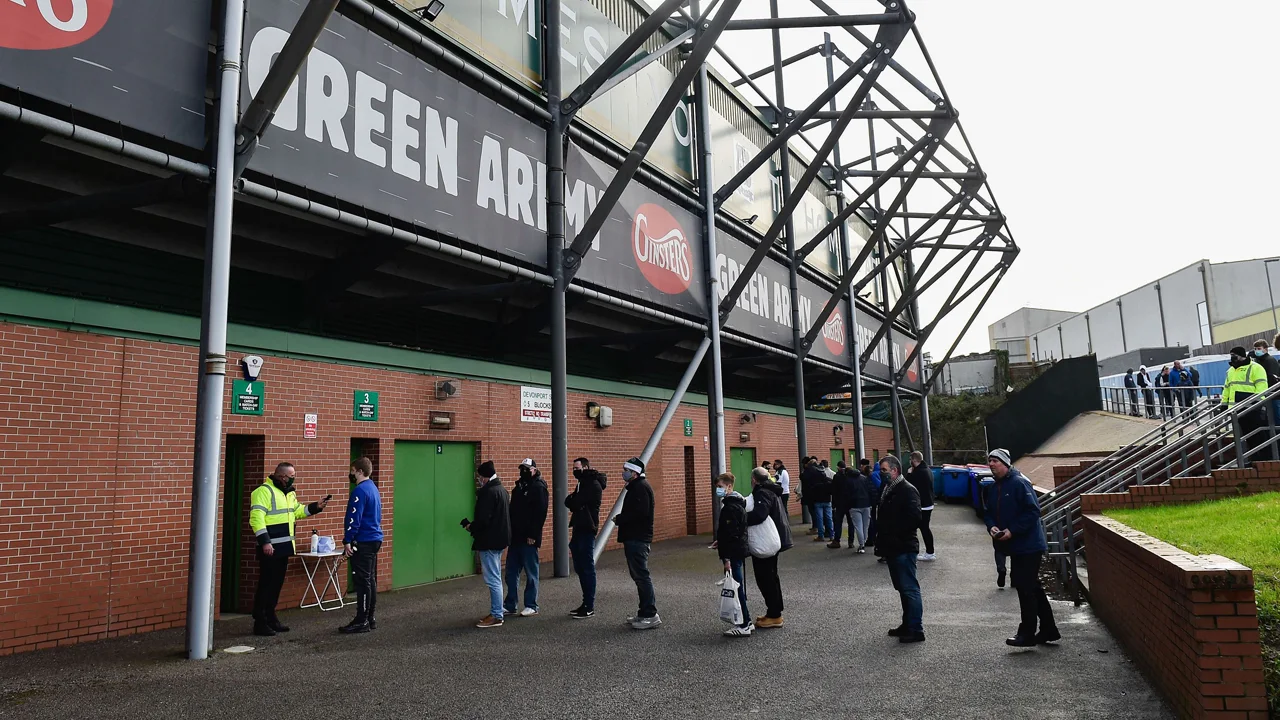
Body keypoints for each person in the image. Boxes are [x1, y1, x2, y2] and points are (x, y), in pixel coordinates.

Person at [985, 448, 1059, 647]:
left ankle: (1026, 633)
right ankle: (1049, 630)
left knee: (1026, 589)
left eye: (995, 461)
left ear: (1006, 463)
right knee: (1032, 587)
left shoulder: (1019, 483)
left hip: (1029, 546)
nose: (991, 464)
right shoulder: (994, 487)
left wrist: (1012, 531)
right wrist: (991, 526)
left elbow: (1033, 511)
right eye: (990, 461)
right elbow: (989, 512)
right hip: (1015, 546)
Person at [249, 462, 329, 637]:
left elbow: (297, 511)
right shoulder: (263, 492)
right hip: (270, 548)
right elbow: (256, 519)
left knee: (276, 585)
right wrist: (265, 542)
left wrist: (316, 506)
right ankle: (260, 622)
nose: (294, 477)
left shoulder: (289, 492)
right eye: (292, 475)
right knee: (266, 585)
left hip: (284, 547)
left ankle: (271, 617)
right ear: (283, 476)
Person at [876, 456, 924, 644]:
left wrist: (894, 534)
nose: (881, 473)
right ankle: (907, 624)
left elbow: (914, 518)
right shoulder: (890, 488)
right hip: (893, 547)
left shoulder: (907, 490)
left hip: (903, 547)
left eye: (884, 470)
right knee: (902, 588)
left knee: (909, 588)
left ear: (895, 470)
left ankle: (916, 628)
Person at [614, 457, 659, 629]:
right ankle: (644, 612)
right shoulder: (636, 487)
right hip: (635, 537)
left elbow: (640, 513)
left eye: (626, 469)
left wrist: (621, 519)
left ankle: (650, 614)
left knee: (641, 576)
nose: (623, 472)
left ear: (634, 472)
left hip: (638, 538)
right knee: (639, 576)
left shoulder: (640, 488)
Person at [464, 461, 510, 629]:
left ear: (484, 477)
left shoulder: (488, 493)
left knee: (492, 579)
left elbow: (483, 520)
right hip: (499, 539)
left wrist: (471, 527)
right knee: (496, 577)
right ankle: (496, 611)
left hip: (489, 540)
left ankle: (497, 615)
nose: (478, 480)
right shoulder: (502, 490)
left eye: (479, 477)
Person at [339, 456, 382, 634]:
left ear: (359, 471)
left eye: (352, 471)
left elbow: (353, 518)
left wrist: (348, 539)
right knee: (370, 580)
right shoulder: (373, 488)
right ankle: (369, 617)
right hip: (374, 539)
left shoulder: (360, 491)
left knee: (362, 582)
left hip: (363, 540)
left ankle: (361, 619)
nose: (351, 474)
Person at [747, 467, 791, 628]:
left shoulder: (762, 493)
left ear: (754, 480)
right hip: (774, 539)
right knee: (772, 577)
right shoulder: (771, 490)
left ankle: (774, 614)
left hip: (766, 541)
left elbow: (760, 514)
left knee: (766, 579)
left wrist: (740, 518)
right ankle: (774, 611)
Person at [505, 458, 548, 618]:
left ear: (534, 470)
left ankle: (531, 605)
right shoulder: (519, 487)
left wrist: (533, 535)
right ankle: (510, 604)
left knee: (531, 572)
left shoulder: (538, 487)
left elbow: (540, 514)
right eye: (521, 468)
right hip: (515, 537)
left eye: (526, 469)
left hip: (528, 538)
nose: (523, 471)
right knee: (511, 573)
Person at [565, 457, 605, 619]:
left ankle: (589, 605)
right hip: (579, 527)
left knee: (587, 567)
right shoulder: (582, 483)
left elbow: (574, 502)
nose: (574, 471)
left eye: (577, 467)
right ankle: (585, 602)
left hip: (587, 528)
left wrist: (574, 501)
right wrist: (574, 501)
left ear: (586, 467)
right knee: (580, 567)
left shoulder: (592, 484)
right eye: (573, 468)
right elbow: (570, 501)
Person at [715, 472, 753, 637]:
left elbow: (731, 534)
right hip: (738, 550)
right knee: (738, 587)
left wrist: (726, 559)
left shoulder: (730, 507)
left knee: (736, 589)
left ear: (729, 486)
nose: (718, 490)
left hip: (734, 553)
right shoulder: (737, 503)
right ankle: (747, 621)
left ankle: (743, 624)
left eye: (720, 487)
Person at [1223, 346, 1273, 462]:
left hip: (1253, 409)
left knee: (1259, 436)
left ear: (1241, 356)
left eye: (1234, 356)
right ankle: (1254, 459)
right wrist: (1224, 405)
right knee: (1247, 437)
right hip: (1236, 410)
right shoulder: (1230, 371)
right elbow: (1226, 389)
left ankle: (1265, 460)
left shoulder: (1256, 368)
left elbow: (1262, 388)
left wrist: (1257, 404)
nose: (1232, 358)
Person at [906, 451, 936, 561]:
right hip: (928, 503)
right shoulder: (927, 470)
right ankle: (929, 551)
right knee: (924, 528)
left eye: (910, 460)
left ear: (914, 460)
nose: (910, 462)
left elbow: (909, 485)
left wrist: (909, 474)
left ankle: (929, 552)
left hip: (922, 505)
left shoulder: (918, 473)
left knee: (922, 529)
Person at [803, 457, 833, 542]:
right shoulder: (827, 481)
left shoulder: (814, 482)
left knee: (819, 518)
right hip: (827, 500)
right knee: (829, 518)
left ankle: (821, 536)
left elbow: (804, 478)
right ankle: (831, 535)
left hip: (818, 501)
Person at [829, 461, 857, 549]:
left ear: (838, 467)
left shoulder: (837, 477)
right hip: (850, 503)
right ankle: (851, 541)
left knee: (838, 523)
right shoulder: (851, 476)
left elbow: (834, 491)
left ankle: (836, 541)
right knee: (851, 523)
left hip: (840, 503)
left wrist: (833, 505)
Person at [848, 462, 874, 553]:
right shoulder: (865, 479)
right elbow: (870, 490)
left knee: (858, 526)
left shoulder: (849, 481)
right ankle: (864, 541)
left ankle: (861, 545)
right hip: (866, 504)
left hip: (854, 505)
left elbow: (846, 495)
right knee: (865, 526)